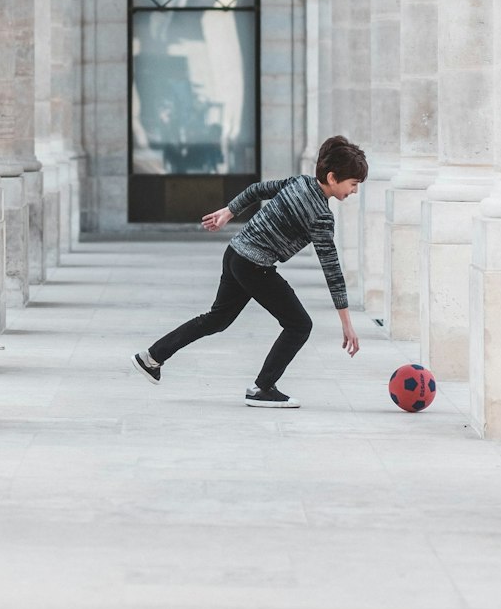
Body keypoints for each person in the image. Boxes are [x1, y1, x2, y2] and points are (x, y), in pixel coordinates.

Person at [132, 135, 367, 408]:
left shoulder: (298, 182)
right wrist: (347, 324)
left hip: (235, 253)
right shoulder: (321, 216)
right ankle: (262, 388)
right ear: (332, 177)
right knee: (299, 325)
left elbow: (257, 189)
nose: (354, 191)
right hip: (254, 266)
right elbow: (332, 270)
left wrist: (229, 212)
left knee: (216, 319)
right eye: (353, 184)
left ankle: (151, 357)